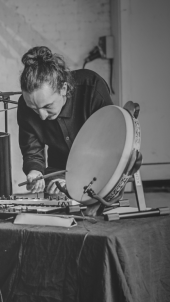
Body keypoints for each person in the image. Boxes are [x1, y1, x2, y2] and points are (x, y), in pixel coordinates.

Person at [17, 46, 113, 203]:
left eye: (47, 106)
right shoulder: (24, 106)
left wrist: (75, 182)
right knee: (57, 206)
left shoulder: (92, 87)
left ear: (63, 88)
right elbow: (32, 151)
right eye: (34, 109)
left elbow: (110, 145)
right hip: (60, 170)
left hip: (101, 167)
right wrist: (34, 171)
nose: (41, 116)